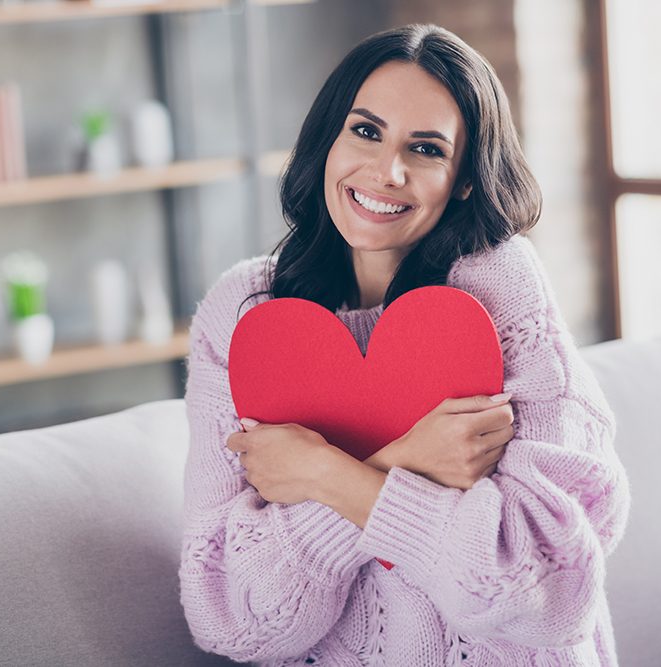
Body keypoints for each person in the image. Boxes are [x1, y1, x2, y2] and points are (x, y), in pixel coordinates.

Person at [179, 23, 631, 667]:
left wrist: (321, 473)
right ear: (326, 141)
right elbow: (231, 619)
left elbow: (548, 592)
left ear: (465, 180)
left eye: (426, 150)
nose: (386, 171)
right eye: (365, 131)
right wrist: (409, 459)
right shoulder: (243, 316)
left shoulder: (499, 290)